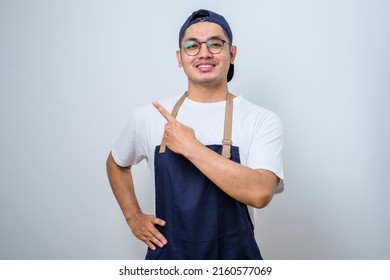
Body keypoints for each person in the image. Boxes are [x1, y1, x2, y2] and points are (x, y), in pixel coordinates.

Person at [106, 9, 284, 260]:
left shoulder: (260, 119)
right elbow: (116, 163)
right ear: (180, 57)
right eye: (192, 45)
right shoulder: (149, 116)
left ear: (231, 54)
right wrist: (133, 216)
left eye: (216, 44)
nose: (204, 52)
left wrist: (190, 146)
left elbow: (260, 192)